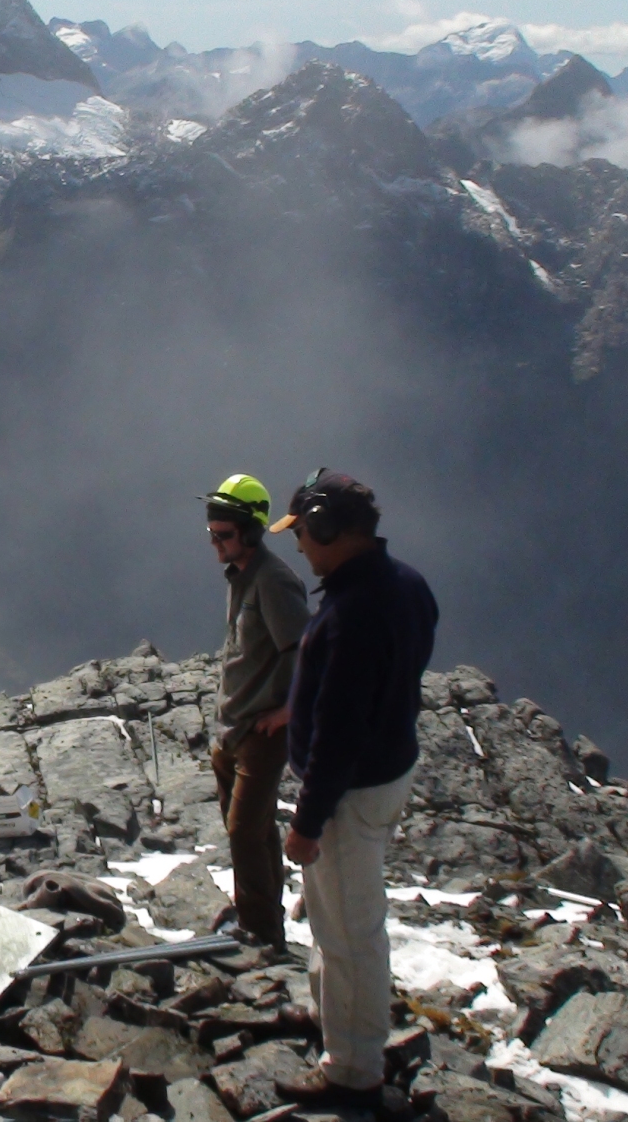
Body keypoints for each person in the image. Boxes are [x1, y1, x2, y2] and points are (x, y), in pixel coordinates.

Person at [266, 469, 436, 1107]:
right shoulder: (406, 585)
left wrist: (307, 823)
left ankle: (353, 1070)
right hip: (387, 773)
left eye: (304, 532)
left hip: (349, 796)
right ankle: (331, 1019)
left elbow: (338, 734)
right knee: (335, 916)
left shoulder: (353, 614)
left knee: (349, 933)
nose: (299, 544)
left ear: (329, 528)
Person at [201, 474, 309, 949]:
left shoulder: (273, 579)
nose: (215, 543)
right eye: (211, 533)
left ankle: (261, 931)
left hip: (261, 732)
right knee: (254, 829)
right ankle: (264, 919)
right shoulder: (242, 575)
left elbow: (306, 651)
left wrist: (288, 712)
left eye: (223, 534)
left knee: (244, 832)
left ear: (249, 531)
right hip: (233, 727)